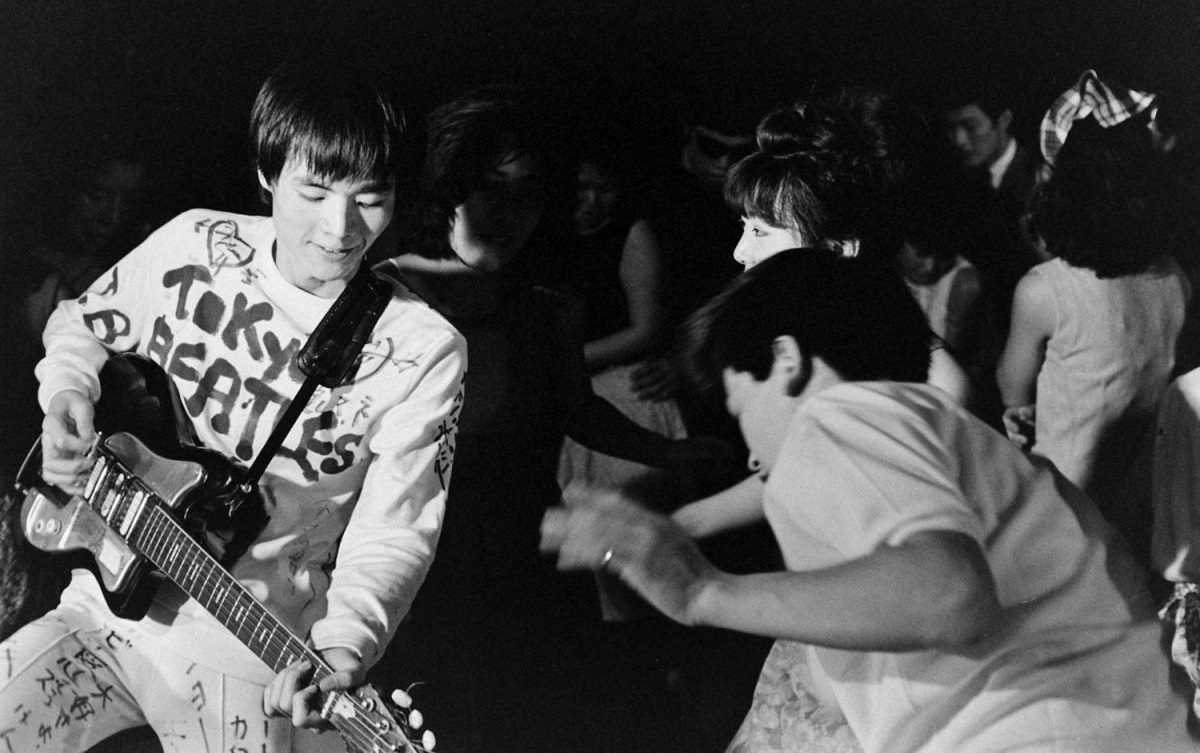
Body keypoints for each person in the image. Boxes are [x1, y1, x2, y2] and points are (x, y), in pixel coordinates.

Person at [541, 250, 1195, 753]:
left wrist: (702, 592)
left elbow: (948, 595)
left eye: (741, 410)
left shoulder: (842, 415)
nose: (753, 458)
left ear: (786, 359)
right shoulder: (948, 435)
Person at [0, 54, 466, 753]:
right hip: (108, 599)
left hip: (250, 648)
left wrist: (343, 649)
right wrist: (68, 390)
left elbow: (396, 530)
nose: (341, 228)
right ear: (267, 174)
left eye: (370, 198)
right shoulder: (198, 244)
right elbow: (82, 322)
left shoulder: (422, 347)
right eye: (314, 190)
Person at [375, 85, 738, 753]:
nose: (513, 213)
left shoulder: (546, 307)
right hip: (424, 564)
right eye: (492, 188)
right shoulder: (386, 294)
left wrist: (671, 453)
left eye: (531, 191)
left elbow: (578, 409)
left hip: (524, 560)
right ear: (446, 186)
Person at [997, 71, 1190, 565]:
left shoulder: (1044, 290)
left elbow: (1012, 390)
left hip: (1061, 513)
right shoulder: (1176, 280)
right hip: (1139, 514)